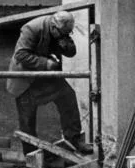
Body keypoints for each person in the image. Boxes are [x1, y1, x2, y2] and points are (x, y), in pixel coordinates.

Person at [7, 10, 93, 157]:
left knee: (67, 95)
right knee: (27, 119)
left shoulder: (61, 31)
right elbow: (21, 55)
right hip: (25, 79)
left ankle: (74, 139)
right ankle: (31, 156)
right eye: (63, 33)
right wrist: (46, 63)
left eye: (68, 33)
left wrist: (66, 44)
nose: (65, 36)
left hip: (45, 77)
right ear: (53, 28)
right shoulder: (31, 28)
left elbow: (71, 53)